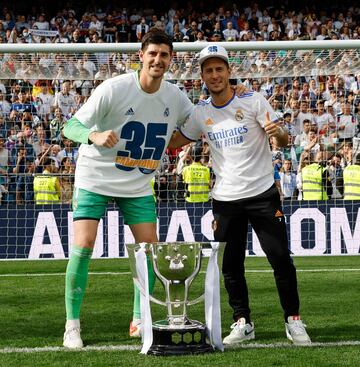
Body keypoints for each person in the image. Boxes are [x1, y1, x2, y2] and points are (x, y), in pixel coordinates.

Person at [169, 44, 311, 346]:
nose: (215, 74)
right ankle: (242, 321)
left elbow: (284, 140)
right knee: (231, 266)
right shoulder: (200, 113)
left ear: (229, 72)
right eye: (209, 70)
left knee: (280, 259)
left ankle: (293, 320)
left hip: (262, 195)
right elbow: (175, 141)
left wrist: (280, 133)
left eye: (219, 68)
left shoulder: (252, 100)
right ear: (203, 77)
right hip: (225, 200)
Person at [61, 29, 194, 349]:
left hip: (137, 182)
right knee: (84, 244)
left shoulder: (175, 96)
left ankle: (138, 319)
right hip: (96, 175)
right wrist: (93, 136)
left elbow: (195, 122)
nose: (158, 60)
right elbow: (70, 126)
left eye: (164, 55)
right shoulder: (114, 88)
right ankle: (72, 325)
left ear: (170, 59)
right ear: (141, 56)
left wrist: (229, 96)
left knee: (148, 249)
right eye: (153, 54)